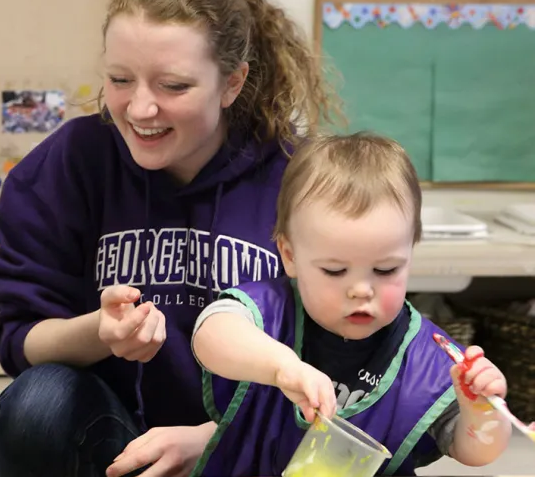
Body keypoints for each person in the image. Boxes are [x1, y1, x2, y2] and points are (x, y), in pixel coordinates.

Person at [0, 0, 341, 475]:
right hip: (115, 440)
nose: (141, 108)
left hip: (253, 439)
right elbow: (21, 341)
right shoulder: (71, 164)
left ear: (232, 82)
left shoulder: (301, 179)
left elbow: (352, 368)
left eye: (173, 85)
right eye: (120, 80)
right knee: (36, 406)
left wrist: (215, 441)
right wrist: (101, 331)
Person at [190, 134, 511, 476]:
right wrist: (282, 367)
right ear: (290, 255)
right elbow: (211, 334)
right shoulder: (270, 312)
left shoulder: (425, 359)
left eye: (386, 269)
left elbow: (474, 452)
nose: (361, 290)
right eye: (335, 270)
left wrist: (482, 410)